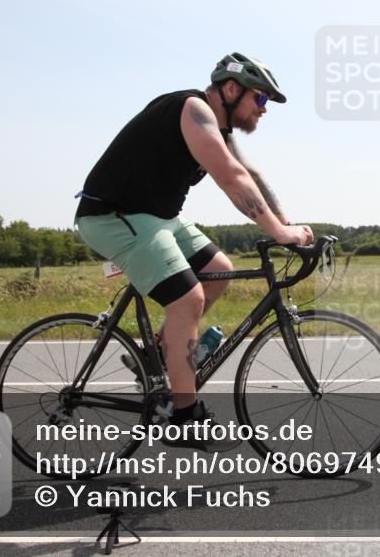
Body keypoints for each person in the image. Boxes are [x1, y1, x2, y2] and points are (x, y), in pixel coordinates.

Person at [74, 53, 314, 429]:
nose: (264, 110)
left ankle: (157, 356)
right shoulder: (194, 109)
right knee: (188, 298)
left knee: (219, 270)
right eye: (261, 99)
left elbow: (249, 172)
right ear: (231, 89)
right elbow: (232, 178)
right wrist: (279, 234)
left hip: (156, 218)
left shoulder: (218, 129)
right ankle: (184, 416)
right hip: (114, 217)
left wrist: (288, 225)